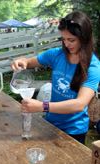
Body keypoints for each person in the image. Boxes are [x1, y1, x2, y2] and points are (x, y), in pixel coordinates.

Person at [11, 11, 100, 144]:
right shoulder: (57, 55)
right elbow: (29, 62)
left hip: (73, 130)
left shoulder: (93, 66)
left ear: (84, 38)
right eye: (63, 39)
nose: (66, 44)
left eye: (71, 40)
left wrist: (43, 106)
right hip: (51, 124)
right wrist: (22, 61)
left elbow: (79, 104)